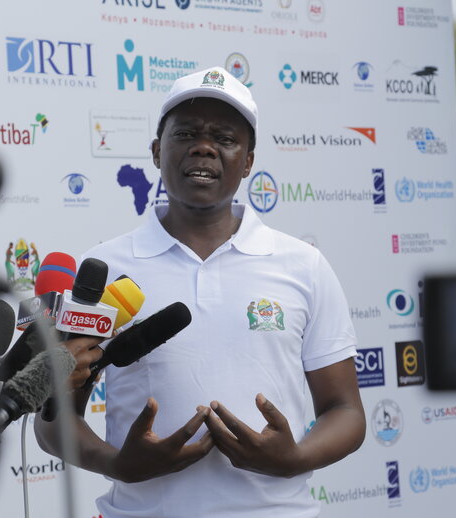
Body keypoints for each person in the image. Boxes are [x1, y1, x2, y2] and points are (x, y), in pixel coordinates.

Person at [35, 66, 365, 518]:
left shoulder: (303, 265)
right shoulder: (104, 268)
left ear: (248, 160)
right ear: (156, 151)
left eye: (225, 138)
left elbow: (345, 410)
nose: (204, 146)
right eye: (186, 132)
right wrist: (117, 464)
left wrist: (295, 459)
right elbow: (55, 418)